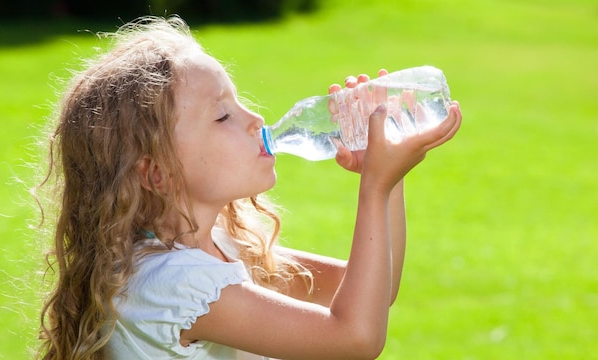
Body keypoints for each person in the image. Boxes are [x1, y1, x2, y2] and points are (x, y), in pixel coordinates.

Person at [36, 16, 462, 360]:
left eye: (238, 101)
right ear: (157, 174)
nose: (255, 118)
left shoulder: (218, 244)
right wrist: (373, 189)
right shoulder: (170, 281)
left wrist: (387, 179)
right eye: (222, 116)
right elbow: (355, 338)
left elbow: (374, 292)